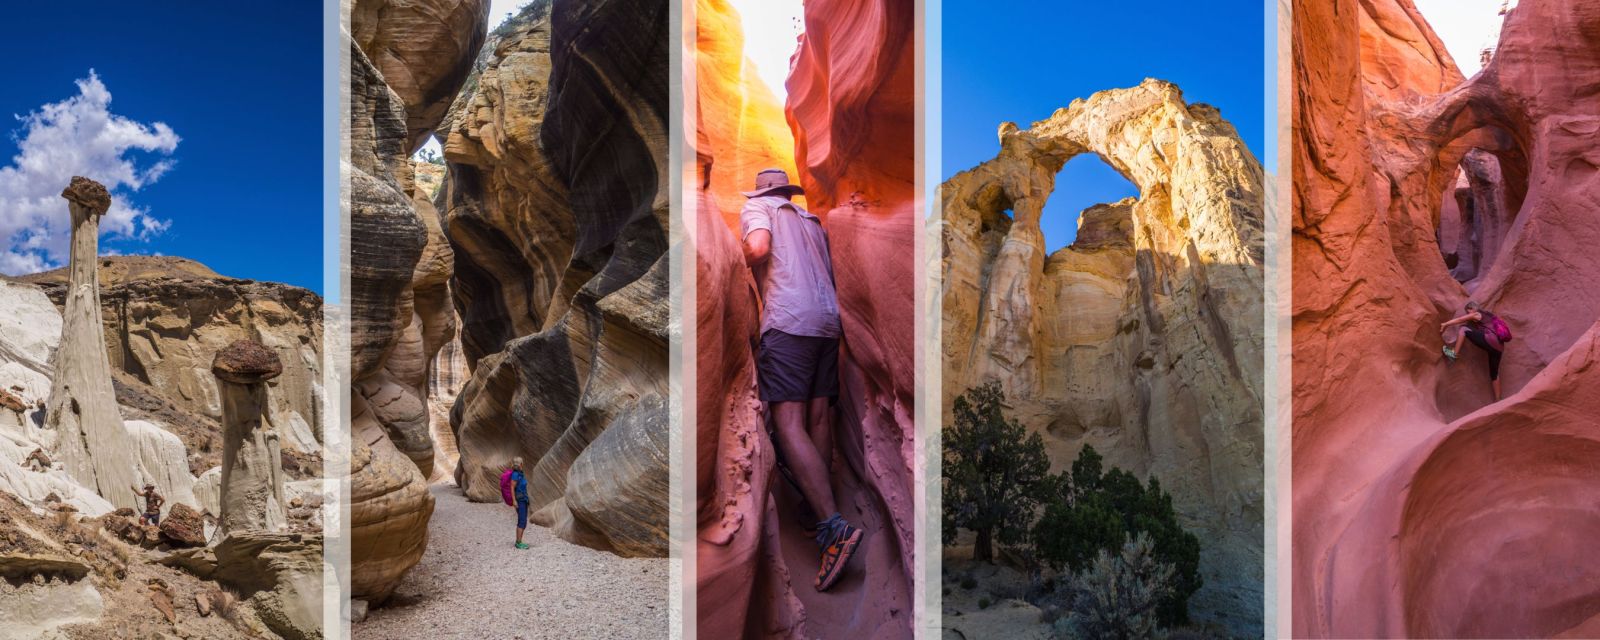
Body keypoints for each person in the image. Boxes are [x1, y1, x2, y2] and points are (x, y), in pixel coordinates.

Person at [740, 168, 862, 592]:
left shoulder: (757, 207)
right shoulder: (812, 223)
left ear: (761, 191)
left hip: (789, 322)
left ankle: (833, 527)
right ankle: (814, 511)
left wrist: (729, 259)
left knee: (788, 426)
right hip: (828, 325)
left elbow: (757, 247)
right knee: (818, 421)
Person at [1442, 300, 1505, 400]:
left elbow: (1460, 320)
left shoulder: (1477, 313)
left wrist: (1445, 324)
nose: (1468, 315)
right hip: (1499, 348)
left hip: (1491, 341)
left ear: (1472, 309)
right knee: (1494, 373)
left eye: (1468, 312)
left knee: (1463, 329)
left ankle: (1454, 354)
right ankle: (1498, 399)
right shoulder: (1488, 315)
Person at [509, 457, 530, 550]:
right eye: (522, 463)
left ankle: (519, 541)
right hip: (519, 500)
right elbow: (512, 488)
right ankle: (518, 543)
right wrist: (514, 501)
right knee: (522, 521)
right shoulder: (515, 475)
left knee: (523, 521)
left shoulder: (520, 474)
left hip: (523, 499)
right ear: (520, 464)